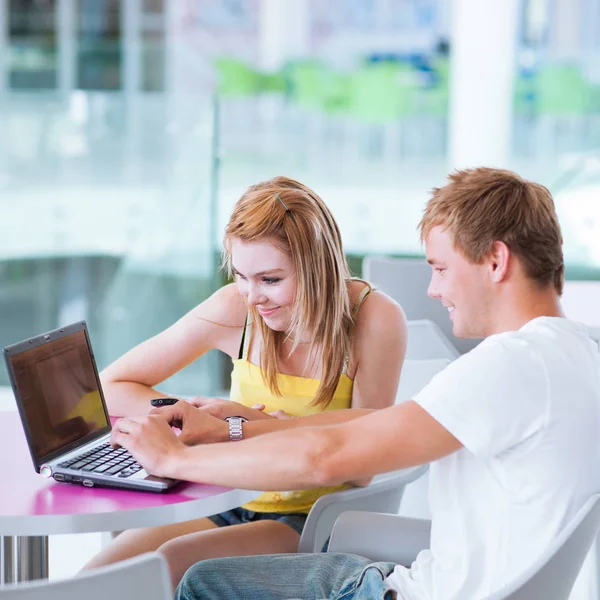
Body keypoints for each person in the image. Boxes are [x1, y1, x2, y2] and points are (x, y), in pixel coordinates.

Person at [110, 167, 600, 600]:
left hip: (399, 591)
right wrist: (233, 429)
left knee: (200, 581)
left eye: (441, 268)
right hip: (436, 578)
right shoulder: (574, 352)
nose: (433, 289)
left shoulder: (507, 367)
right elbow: (368, 426)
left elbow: (329, 456)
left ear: (495, 261)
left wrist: (175, 459)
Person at [84, 176, 407, 588]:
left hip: (312, 517)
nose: (253, 297)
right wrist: (191, 418)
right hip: (227, 495)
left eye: (271, 280)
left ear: (317, 268)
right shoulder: (236, 307)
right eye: (241, 275)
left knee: (170, 565)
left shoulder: (375, 318)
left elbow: (364, 464)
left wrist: (242, 429)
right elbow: (111, 384)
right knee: (102, 576)